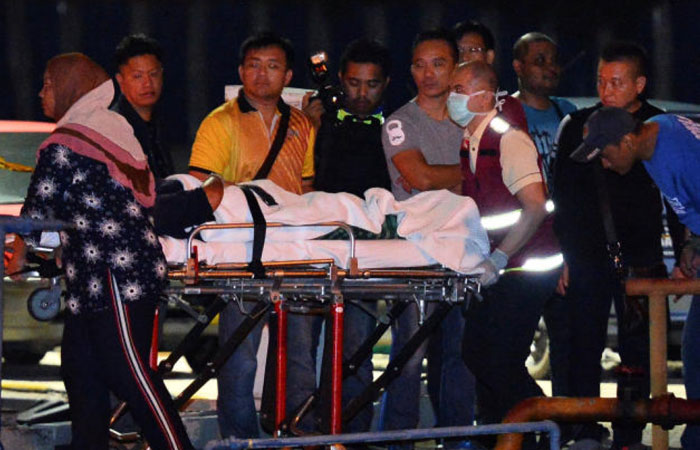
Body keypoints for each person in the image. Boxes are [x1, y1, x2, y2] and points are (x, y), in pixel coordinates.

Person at [6, 53, 193, 450]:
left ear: (72, 86)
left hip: (113, 271)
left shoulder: (65, 141)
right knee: (81, 370)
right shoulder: (112, 126)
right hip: (102, 272)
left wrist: (18, 253)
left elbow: (37, 215)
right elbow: (91, 207)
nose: (42, 94)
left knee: (129, 373)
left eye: (48, 84)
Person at [552, 41, 683, 449]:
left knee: (638, 352)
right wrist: (565, 257)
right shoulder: (578, 124)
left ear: (639, 84)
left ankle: (630, 434)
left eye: (617, 81)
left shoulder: (659, 126)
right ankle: (585, 429)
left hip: (643, 256)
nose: (606, 89)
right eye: (601, 81)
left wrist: (683, 257)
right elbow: (564, 197)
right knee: (583, 346)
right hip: (588, 256)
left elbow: (677, 197)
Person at [187, 32, 315, 439]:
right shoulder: (219, 121)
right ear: (241, 71)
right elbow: (200, 188)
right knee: (239, 358)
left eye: (272, 66)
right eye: (254, 65)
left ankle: (297, 438)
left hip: (294, 253)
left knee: (300, 357)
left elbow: (307, 190)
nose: (262, 74)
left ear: (288, 75)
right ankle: (238, 439)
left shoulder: (300, 125)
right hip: (242, 253)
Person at [569, 106, 700, 450]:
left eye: (607, 155)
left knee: (697, 351)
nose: (605, 164)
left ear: (627, 140)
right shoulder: (658, 130)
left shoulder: (676, 157)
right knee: (695, 350)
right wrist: (693, 242)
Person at [448, 60, 561, 449]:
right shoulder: (471, 139)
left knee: (489, 356)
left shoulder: (507, 138)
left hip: (526, 266)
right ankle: (512, 436)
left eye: (459, 88)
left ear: (483, 95)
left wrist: (498, 258)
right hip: (504, 265)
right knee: (486, 356)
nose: (452, 97)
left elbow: (534, 206)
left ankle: (547, 427)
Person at [380, 28, 474, 449]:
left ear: (455, 67)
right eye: (419, 64)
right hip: (415, 255)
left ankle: (455, 440)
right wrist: (471, 176)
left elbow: (428, 178)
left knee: (459, 356)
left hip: (467, 253)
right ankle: (397, 441)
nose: (428, 73)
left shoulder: (473, 119)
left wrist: (436, 179)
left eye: (438, 63)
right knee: (408, 355)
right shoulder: (400, 121)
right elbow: (416, 177)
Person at [296, 38, 392, 434]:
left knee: (357, 350)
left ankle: (353, 433)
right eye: (353, 83)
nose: (362, 93)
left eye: (371, 84)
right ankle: (297, 429)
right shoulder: (321, 123)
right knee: (300, 347)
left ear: (385, 84)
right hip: (314, 246)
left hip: (364, 253)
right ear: (340, 80)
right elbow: (303, 177)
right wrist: (315, 126)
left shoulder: (391, 129)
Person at [511, 31, 576, 398]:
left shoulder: (567, 112)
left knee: (570, 342)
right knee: (513, 344)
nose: (550, 68)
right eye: (539, 61)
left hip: (565, 243)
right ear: (518, 67)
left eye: (553, 60)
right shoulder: (507, 114)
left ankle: (571, 424)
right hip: (523, 244)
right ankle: (518, 422)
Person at [112, 34, 174, 179]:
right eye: (138, 76)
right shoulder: (113, 127)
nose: (147, 83)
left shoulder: (159, 120)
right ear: (120, 81)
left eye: (153, 74)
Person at [451, 20, 528, 130]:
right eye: (459, 50)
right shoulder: (447, 103)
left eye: (473, 50)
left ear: (489, 56)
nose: (464, 57)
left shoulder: (508, 107)